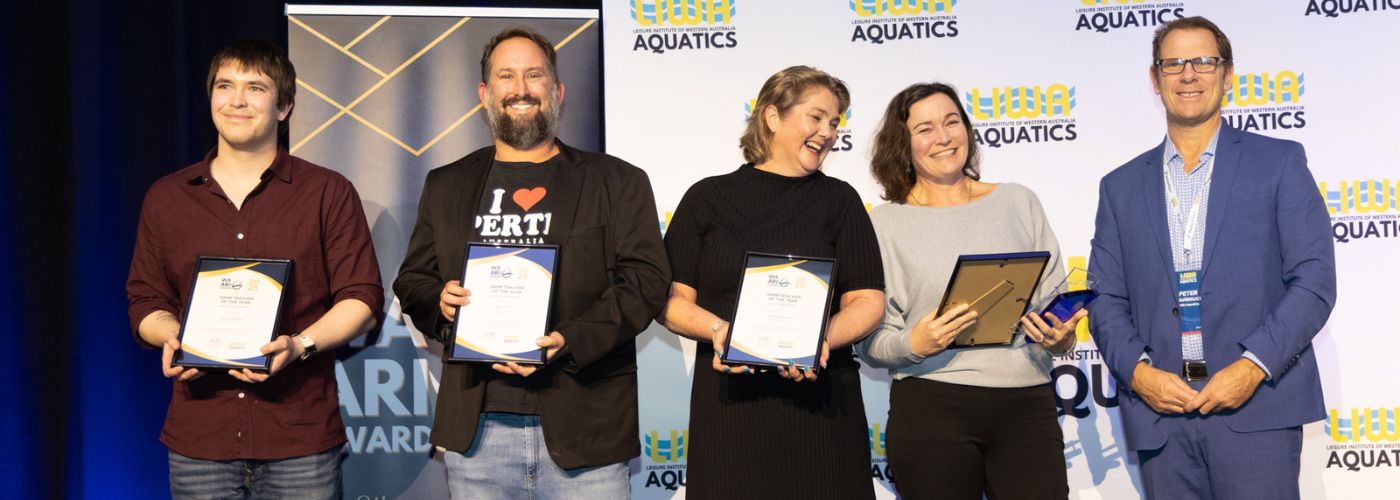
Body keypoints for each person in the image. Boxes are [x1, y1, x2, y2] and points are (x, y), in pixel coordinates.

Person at [392, 27, 669, 499]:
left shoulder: (617, 182)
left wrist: (570, 340)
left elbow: (646, 281)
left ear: (557, 90)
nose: (521, 88)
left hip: (588, 434)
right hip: (478, 434)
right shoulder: (447, 184)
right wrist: (441, 306)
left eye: (534, 75)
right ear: (485, 94)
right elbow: (414, 280)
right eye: (506, 76)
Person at [1088, 16, 1336, 500]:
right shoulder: (1119, 187)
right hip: (1162, 416)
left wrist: (1252, 366)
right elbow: (1104, 299)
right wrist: (1140, 375)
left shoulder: (1279, 162)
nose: (1188, 74)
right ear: (1154, 79)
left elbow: (1314, 280)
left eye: (1203, 61)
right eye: (1173, 63)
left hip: (1256, 411)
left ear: (1228, 73)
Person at [126, 39, 384, 499]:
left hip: (299, 438)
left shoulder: (327, 192)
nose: (237, 100)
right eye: (225, 86)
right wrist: (171, 335)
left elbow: (362, 298)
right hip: (200, 440)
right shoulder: (166, 198)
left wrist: (299, 344)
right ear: (211, 98)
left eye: (255, 88)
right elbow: (145, 299)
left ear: (284, 106)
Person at [658, 65, 886, 499]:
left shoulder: (841, 201)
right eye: (816, 117)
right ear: (772, 117)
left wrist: (822, 339)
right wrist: (719, 331)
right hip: (731, 410)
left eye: (835, 122)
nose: (828, 132)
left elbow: (868, 301)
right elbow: (670, 300)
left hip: (824, 410)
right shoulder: (706, 198)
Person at [854, 82, 1081, 500]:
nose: (942, 137)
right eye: (924, 128)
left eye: (951, 121)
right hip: (931, 407)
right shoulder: (883, 223)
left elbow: (1054, 308)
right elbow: (868, 344)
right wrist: (915, 342)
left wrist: (1061, 337)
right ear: (902, 144)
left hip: (1026, 404)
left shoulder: (1019, 201)